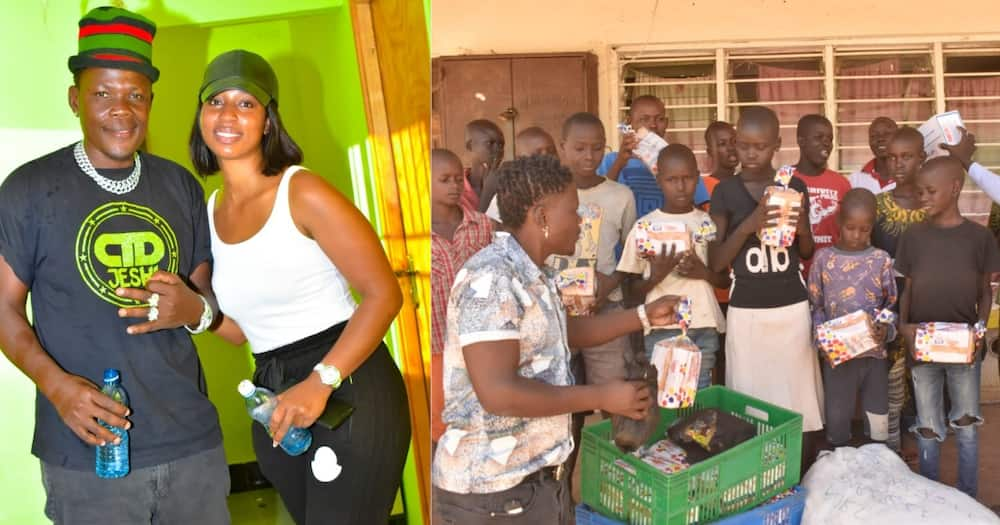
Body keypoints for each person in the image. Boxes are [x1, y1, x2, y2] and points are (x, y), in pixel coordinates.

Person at [0, 7, 230, 523]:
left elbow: (207, 303)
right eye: (102, 93)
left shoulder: (180, 186)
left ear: (150, 101)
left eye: (134, 94)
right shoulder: (28, 189)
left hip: (191, 445)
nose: (120, 109)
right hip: (86, 453)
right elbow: (4, 307)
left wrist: (193, 309)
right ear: (74, 98)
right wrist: (58, 388)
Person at [184, 50, 410, 524]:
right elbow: (241, 330)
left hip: (347, 380)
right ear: (201, 113)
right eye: (216, 101)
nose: (228, 115)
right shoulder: (210, 208)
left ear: (268, 121)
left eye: (246, 104)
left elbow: (384, 293)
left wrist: (320, 380)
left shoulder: (301, 191)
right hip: (274, 388)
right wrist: (193, 313)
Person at [432, 154, 681, 524]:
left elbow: (563, 331)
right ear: (542, 216)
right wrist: (601, 397)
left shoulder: (536, 272)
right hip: (492, 493)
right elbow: (498, 393)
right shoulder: (492, 280)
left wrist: (643, 316)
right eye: (574, 212)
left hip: (537, 484)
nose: (581, 222)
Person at [708, 106, 824, 467]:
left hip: (790, 308)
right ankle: (755, 472)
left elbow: (805, 252)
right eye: (743, 145)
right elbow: (715, 261)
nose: (750, 154)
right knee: (749, 399)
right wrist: (749, 224)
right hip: (747, 311)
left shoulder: (793, 185)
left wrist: (803, 225)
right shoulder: (725, 192)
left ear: (776, 145)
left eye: (759, 146)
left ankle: (798, 473)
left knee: (799, 399)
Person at [896, 156, 1000, 498]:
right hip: (923, 348)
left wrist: (980, 330)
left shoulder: (979, 237)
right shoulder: (912, 237)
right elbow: (907, 288)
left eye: (930, 191)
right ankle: (931, 496)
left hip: (963, 349)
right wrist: (904, 326)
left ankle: (967, 497)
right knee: (927, 426)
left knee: (967, 424)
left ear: (955, 189)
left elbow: (985, 291)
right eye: (919, 191)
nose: (922, 197)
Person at [618, 144, 728, 388]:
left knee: (699, 398)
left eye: (687, 178)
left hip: (703, 323)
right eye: (672, 179)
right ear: (659, 181)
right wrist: (655, 277)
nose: (680, 187)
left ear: (697, 178)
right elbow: (629, 292)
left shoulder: (707, 223)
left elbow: (726, 281)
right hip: (662, 328)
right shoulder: (644, 227)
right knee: (667, 396)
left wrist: (704, 273)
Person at [807, 189, 897, 449]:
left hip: (874, 357)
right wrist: (821, 340)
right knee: (837, 420)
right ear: (838, 223)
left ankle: (878, 466)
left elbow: (890, 302)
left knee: (877, 420)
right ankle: (840, 467)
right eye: (850, 228)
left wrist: (885, 328)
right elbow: (816, 305)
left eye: (864, 230)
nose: (857, 236)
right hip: (838, 359)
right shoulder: (824, 259)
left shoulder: (880, 260)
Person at [431, 148, 493, 448]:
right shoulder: (417, 232)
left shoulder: (481, 226)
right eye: (444, 179)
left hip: (478, 336)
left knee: (481, 408)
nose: (455, 185)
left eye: (458, 179)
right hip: (437, 341)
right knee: (443, 419)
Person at [872, 126, 927, 453]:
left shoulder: (935, 202)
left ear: (922, 158)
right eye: (892, 157)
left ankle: (926, 450)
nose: (898, 164)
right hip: (889, 309)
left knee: (925, 381)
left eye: (906, 156)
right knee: (891, 381)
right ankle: (894, 449)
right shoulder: (877, 206)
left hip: (928, 306)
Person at [598, 95, 710, 216]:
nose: (653, 125)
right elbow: (597, 202)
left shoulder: (681, 162)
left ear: (666, 123)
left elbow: (699, 211)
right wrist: (620, 162)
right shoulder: (611, 160)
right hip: (628, 234)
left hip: (672, 232)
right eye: (644, 119)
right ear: (630, 122)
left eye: (659, 119)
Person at [792, 114, 851, 275]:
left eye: (830, 138)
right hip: (794, 277)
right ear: (801, 141)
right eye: (819, 137)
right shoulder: (784, 179)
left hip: (833, 275)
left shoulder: (841, 184)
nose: (826, 142)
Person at [483, 126, 558, 223]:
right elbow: (493, 231)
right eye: (537, 153)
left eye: (551, 151)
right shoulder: (506, 198)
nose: (546, 158)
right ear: (519, 162)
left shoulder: (566, 191)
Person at [464, 119, 505, 213]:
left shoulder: (508, 184)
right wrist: (488, 191)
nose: (498, 149)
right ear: (470, 146)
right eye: (490, 143)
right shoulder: (454, 187)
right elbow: (472, 227)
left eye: (501, 144)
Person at [849, 117, 898, 194]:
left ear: (898, 138)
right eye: (874, 135)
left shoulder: (911, 179)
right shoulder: (856, 180)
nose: (880, 139)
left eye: (887, 134)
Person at [702, 121, 739, 195]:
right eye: (722, 144)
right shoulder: (703, 189)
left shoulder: (745, 185)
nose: (731, 148)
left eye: (734, 141)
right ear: (710, 152)